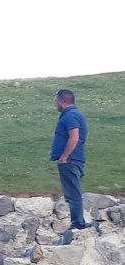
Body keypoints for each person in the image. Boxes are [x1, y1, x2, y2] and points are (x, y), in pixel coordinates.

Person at [50, 89, 93, 243]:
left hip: (70, 160)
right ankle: (78, 221)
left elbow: (74, 137)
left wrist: (64, 157)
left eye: (56, 101)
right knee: (72, 192)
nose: (55, 104)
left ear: (62, 101)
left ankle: (78, 223)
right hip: (74, 159)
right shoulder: (73, 115)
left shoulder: (70, 115)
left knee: (73, 192)